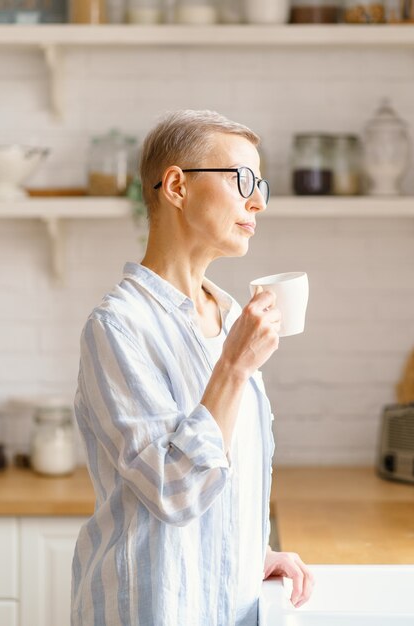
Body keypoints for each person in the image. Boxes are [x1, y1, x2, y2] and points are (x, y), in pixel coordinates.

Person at [71, 109, 314, 626]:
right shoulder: (117, 327)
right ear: (177, 186)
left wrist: (253, 553)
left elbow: (228, 475)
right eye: (243, 180)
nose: (259, 201)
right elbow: (174, 491)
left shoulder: (229, 317)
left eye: (262, 184)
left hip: (226, 604)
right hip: (151, 611)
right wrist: (233, 368)